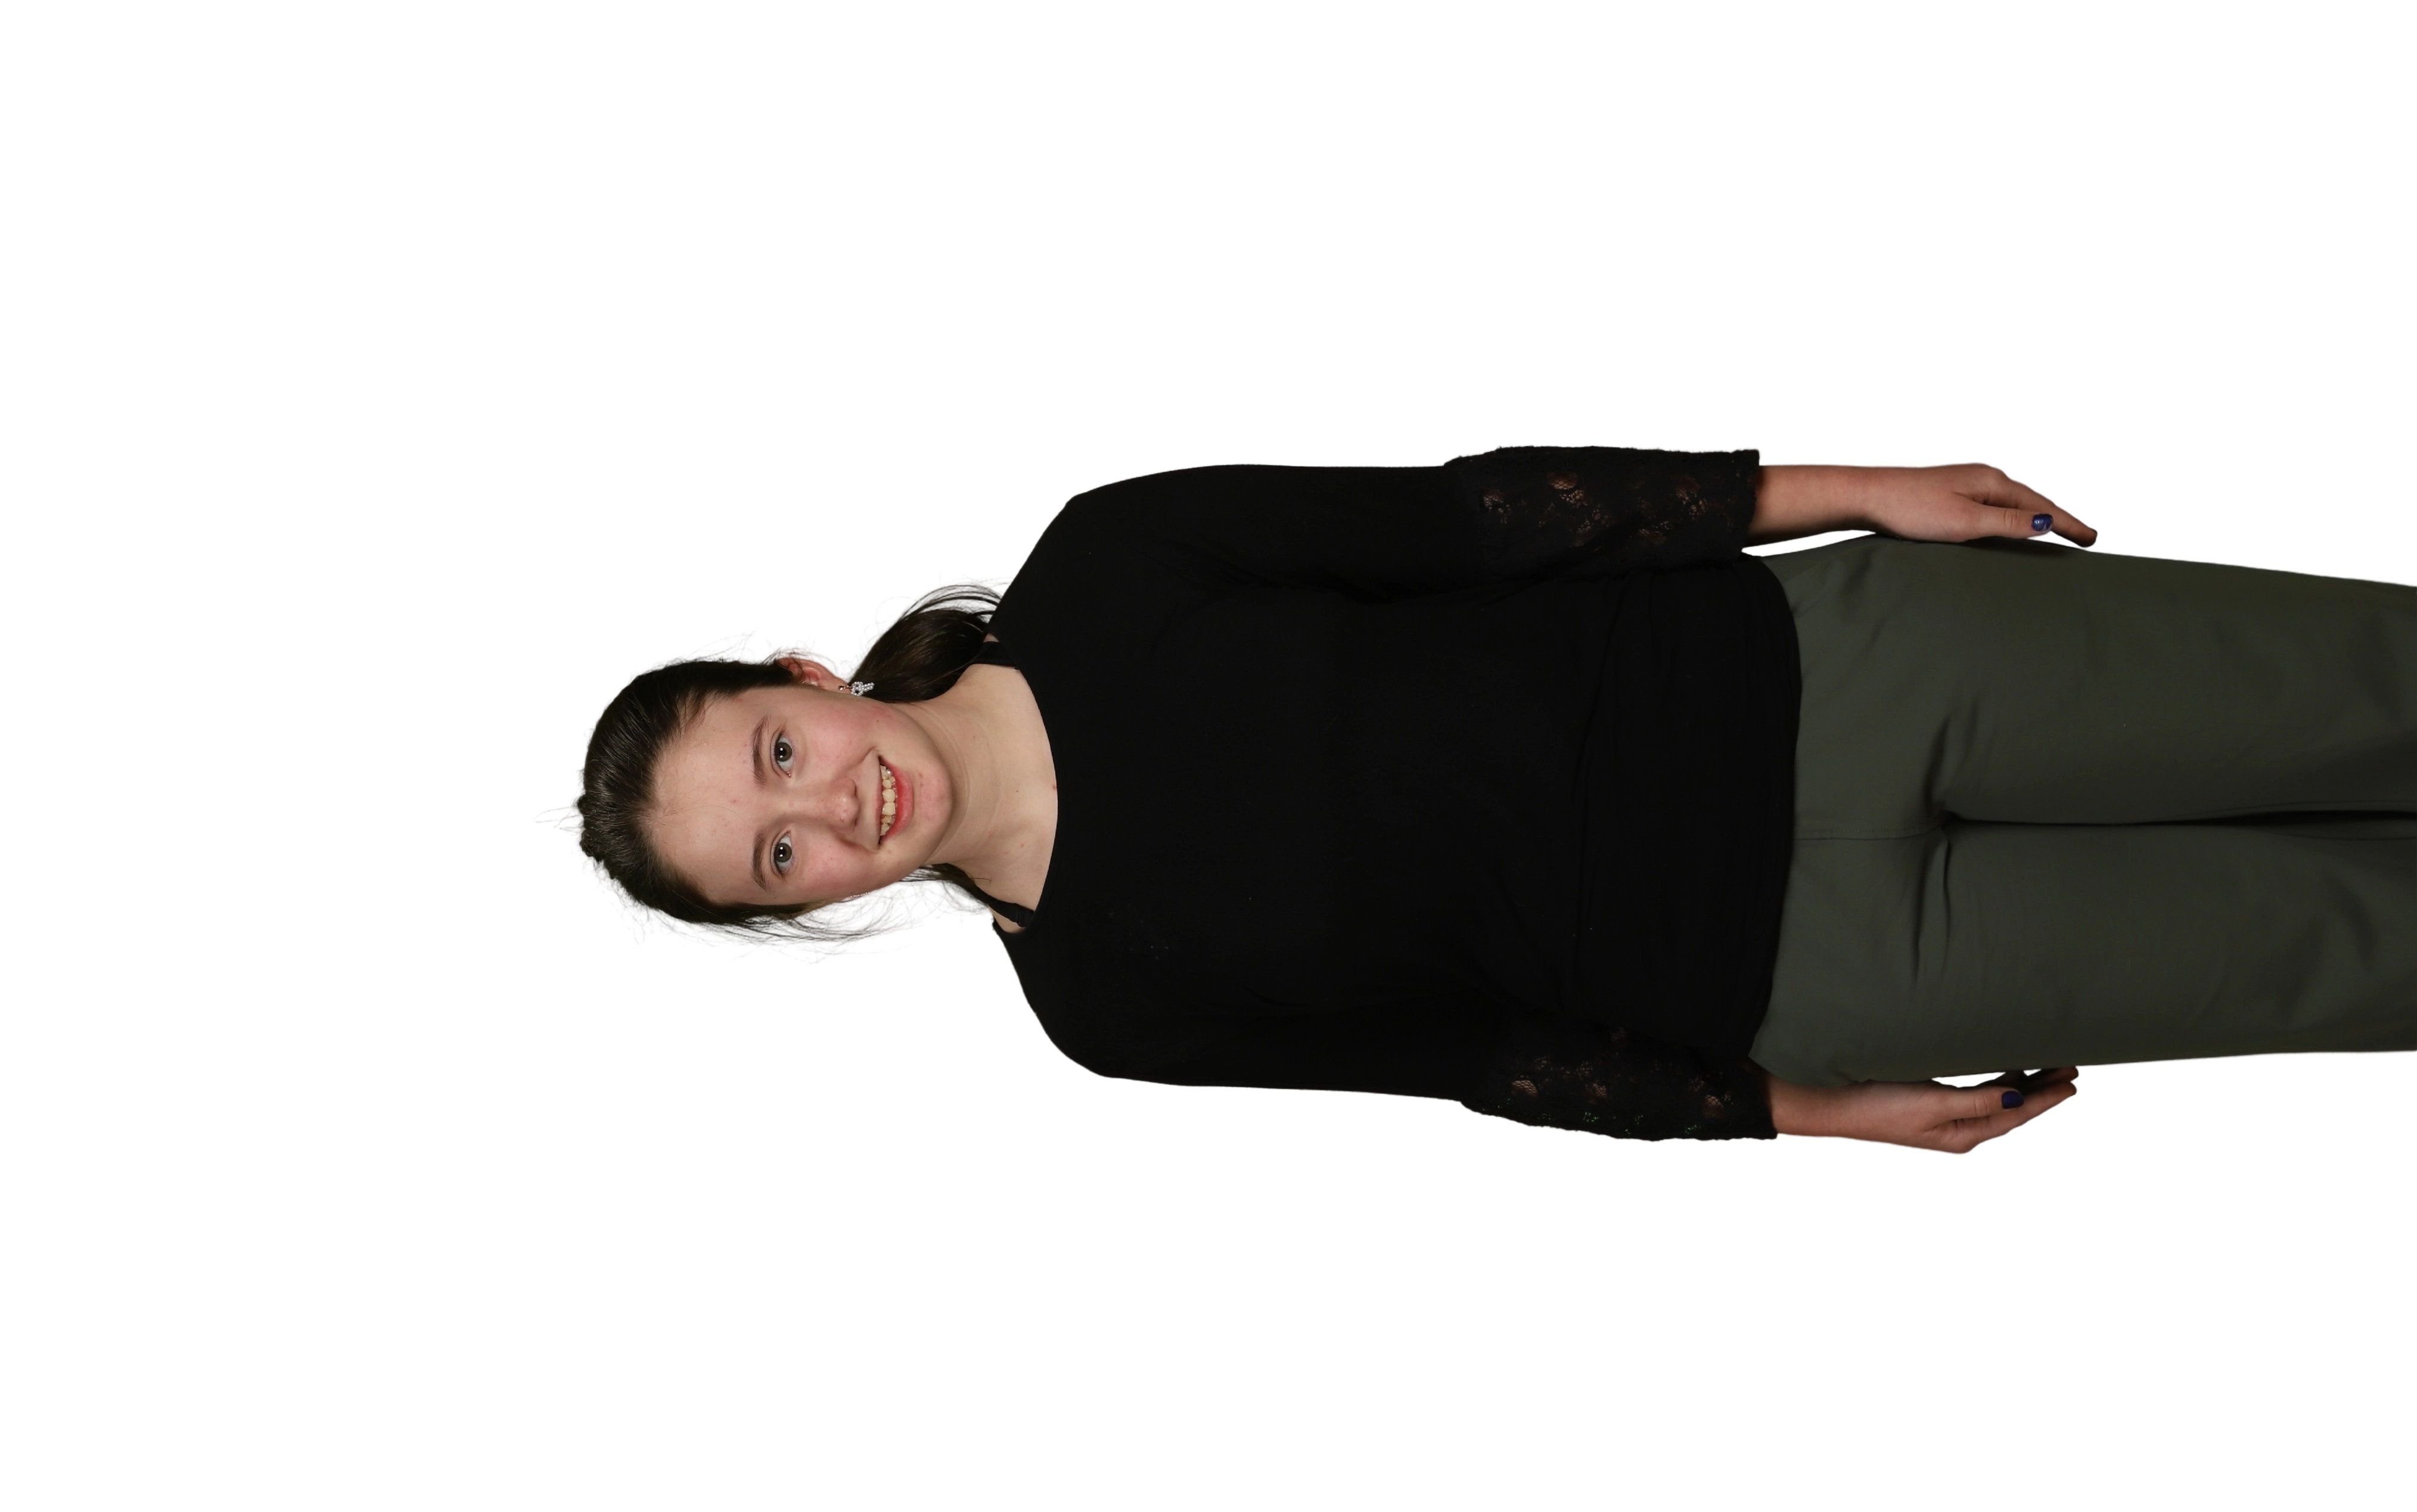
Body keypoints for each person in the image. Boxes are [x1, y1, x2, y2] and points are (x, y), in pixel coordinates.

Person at [534, 444, 2417, 1156]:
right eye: (774, 857)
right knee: (2344, 958)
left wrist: (1843, 484)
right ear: (809, 913)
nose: (830, 810)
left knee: (2363, 694)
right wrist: (1818, 1113)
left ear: (803, 680)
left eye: (774, 756)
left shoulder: (1109, 562)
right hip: (1822, 968)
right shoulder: (1108, 1013)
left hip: (1831, 670)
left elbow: (1479, 520)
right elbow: (1479, 1060)